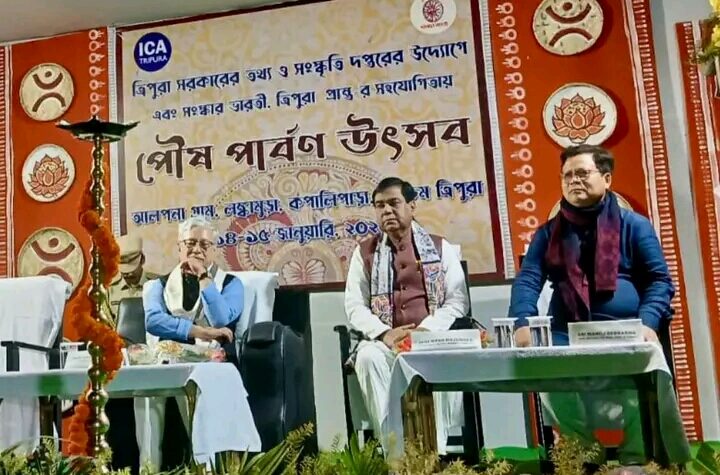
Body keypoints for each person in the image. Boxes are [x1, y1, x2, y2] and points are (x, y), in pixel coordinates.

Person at [508, 144, 675, 466]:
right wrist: (523, 322)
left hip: (624, 330)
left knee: (639, 362)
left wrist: (648, 322)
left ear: (607, 178)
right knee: (545, 369)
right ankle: (585, 454)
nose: (574, 180)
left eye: (583, 173)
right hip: (566, 331)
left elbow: (659, 281)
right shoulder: (548, 233)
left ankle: (636, 459)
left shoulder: (634, 226)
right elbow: (528, 280)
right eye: (567, 175)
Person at [344, 177, 469, 454]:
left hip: (431, 340)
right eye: (380, 205)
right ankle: (395, 452)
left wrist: (427, 330)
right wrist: (385, 334)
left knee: (442, 357)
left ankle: (435, 453)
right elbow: (354, 306)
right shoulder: (364, 253)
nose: (386, 210)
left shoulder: (441, 248)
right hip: (386, 343)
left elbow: (457, 300)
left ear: (412, 206)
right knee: (368, 357)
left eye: (394, 203)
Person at [143, 216, 244, 353]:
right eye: (190, 243)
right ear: (179, 248)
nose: (196, 250)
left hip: (218, 359)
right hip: (171, 358)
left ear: (214, 250)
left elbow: (220, 320)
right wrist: (203, 332)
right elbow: (153, 321)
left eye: (204, 244)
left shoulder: (231, 284)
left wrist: (203, 276)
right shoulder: (158, 285)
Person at [108, 235, 158, 320]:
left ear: (142, 259)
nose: (128, 274)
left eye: (132, 267)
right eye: (124, 270)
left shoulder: (157, 285)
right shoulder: (110, 290)